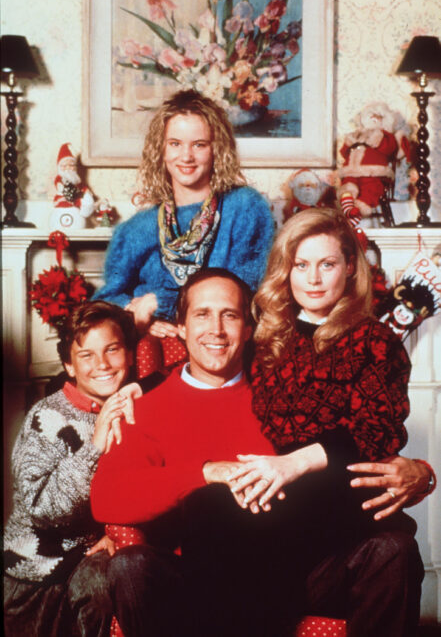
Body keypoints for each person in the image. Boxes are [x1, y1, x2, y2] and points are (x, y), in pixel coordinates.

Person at [91, 268, 427, 637]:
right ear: (181, 327)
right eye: (202, 314)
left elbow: (352, 441)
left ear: (249, 329)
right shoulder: (145, 409)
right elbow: (107, 497)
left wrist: (421, 473)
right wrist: (206, 472)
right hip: (199, 581)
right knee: (131, 566)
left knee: (392, 549)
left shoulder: (284, 387)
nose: (216, 330)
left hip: (299, 568)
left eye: (230, 315)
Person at [3, 301, 142, 637]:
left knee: (101, 587)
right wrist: (93, 446)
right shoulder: (47, 418)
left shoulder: (133, 409)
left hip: (87, 562)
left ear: (130, 355)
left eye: (112, 350)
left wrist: (115, 531)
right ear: (69, 365)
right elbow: (41, 508)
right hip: (34, 575)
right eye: (86, 355)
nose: (102, 364)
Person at [93, 88, 274, 335]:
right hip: (152, 343)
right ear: (161, 150)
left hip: (220, 339)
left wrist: (157, 302)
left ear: (217, 150)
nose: (186, 156)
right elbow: (106, 299)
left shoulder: (245, 207)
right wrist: (138, 317)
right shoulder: (136, 227)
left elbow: (243, 291)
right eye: (175, 144)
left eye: (199, 145)